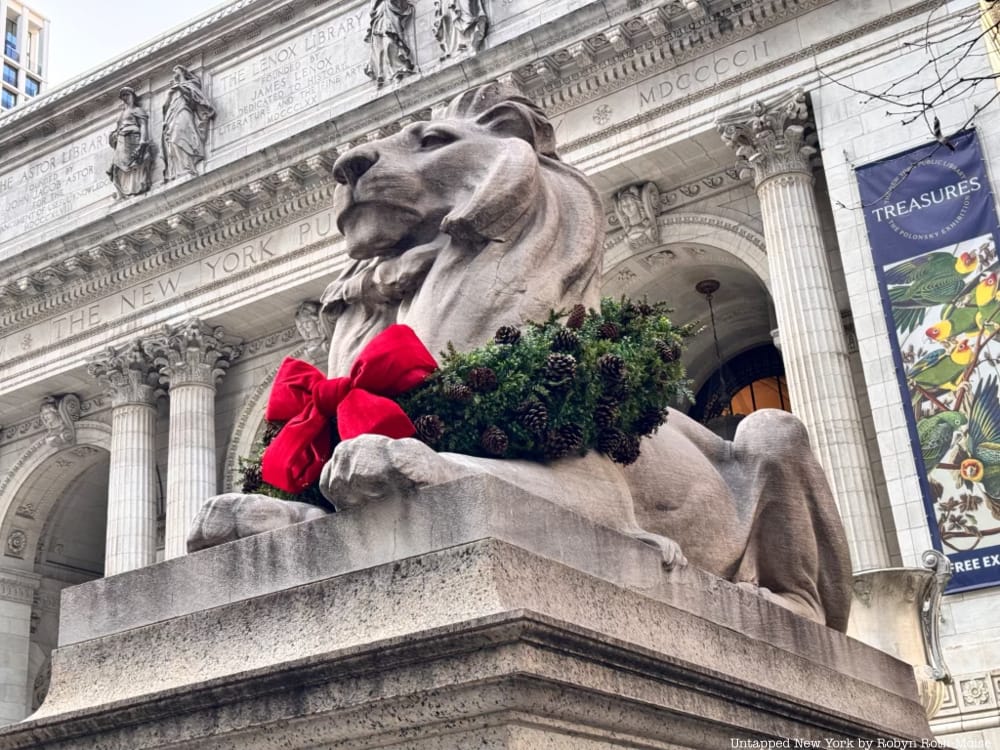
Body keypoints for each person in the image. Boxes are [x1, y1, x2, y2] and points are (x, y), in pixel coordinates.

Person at [162, 65, 216, 181]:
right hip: (173, 115)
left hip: (184, 112)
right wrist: (170, 93)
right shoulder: (173, 89)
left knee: (179, 137)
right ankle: (180, 169)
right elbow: (165, 107)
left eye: (176, 70)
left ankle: (188, 166)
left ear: (182, 72)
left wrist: (180, 88)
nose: (173, 72)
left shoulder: (190, 84)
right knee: (172, 141)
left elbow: (194, 100)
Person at [107, 87, 152, 198]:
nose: (125, 97)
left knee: (134, 163)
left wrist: (143, 141)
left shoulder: (137, 110)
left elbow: (143, 126)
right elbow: (117, 129)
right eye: (123, 96)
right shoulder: (121, 114)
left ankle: (134, 187)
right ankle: (123, 190)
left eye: (127, 95)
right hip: (122, 141)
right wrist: (114, 136)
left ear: (132, 96)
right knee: (117, 166)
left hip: (133, 138)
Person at [364, 0, 415, 86]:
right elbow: (372, 10)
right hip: (380, 22)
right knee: (381, 49)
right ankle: (390, 72)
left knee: (390, 43)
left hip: (390, 19)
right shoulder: (379, 7)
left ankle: (400, 67)